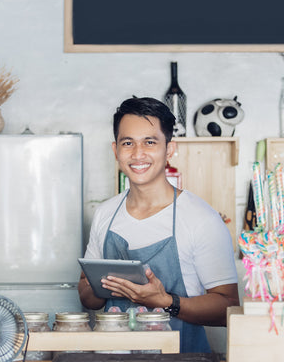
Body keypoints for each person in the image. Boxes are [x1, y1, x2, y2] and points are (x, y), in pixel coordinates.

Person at [78, 96, 239, 353]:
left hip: (181, 357)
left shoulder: (201, 218)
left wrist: (165, 301)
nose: (138, 153)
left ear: (169, 149)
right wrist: (109, 286)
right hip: (112, 357)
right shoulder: (105, 213)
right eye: (127, 143)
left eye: (150, 142)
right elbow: (87, 297)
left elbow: (227, 309)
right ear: (115, 150)